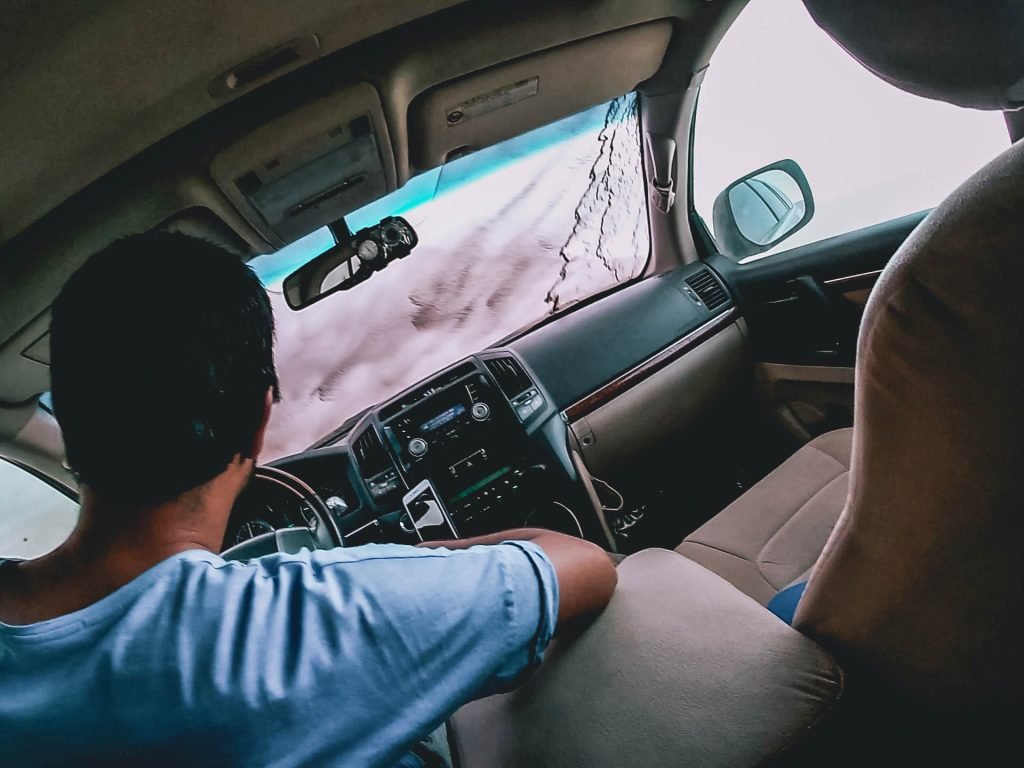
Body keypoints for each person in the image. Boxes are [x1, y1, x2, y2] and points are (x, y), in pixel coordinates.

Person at [0, 231, 618, 767]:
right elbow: (586, 568)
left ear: (73, 420)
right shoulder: (316, 619)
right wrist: (387, 559)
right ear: (258, 420)